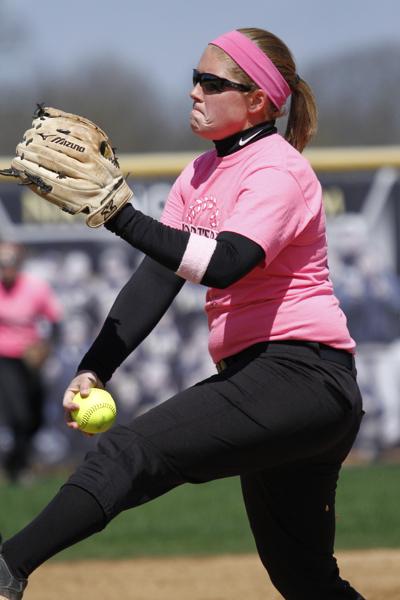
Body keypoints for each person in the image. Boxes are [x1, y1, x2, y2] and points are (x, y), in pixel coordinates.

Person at [0, 28, 365, 600]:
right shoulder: (197, 175)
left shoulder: (278, 170)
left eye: (213, 82)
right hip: (274, 384)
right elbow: (156, 279)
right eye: (195, 78)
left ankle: (8, 565)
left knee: (131, 449)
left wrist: (120, 215)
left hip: (302, 377)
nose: (195, 90)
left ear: (259, 101)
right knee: (306, 579)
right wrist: (96, 367)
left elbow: (225, 264)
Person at [0, 242, 62, 483]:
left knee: (36, 416)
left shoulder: (36, 289)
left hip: (31, 359)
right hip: (5, 357)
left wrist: (45, 348)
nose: (6, 270)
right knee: (19, 415)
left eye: (10, 264)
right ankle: (18, 467)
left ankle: (17, 462)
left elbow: (55, 322)